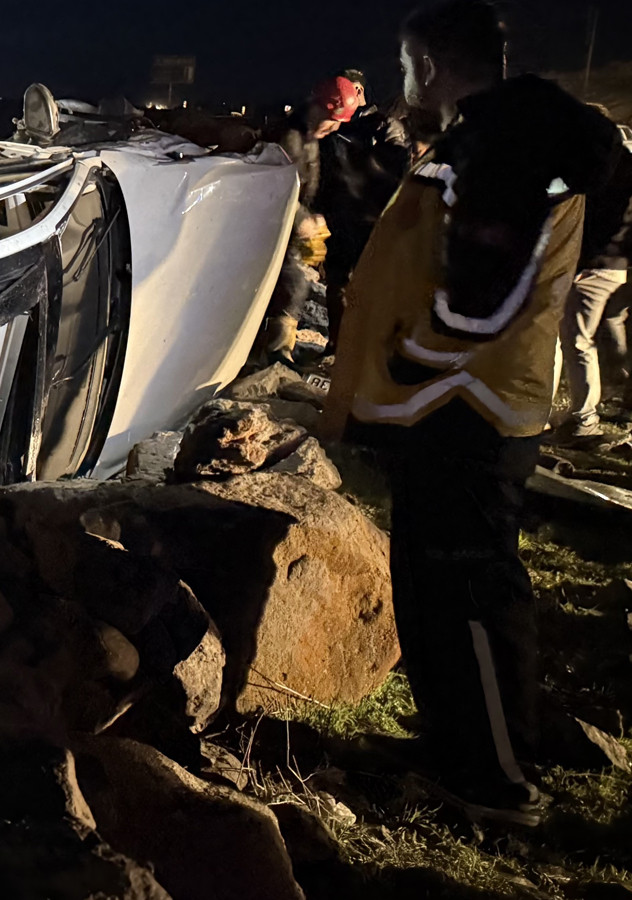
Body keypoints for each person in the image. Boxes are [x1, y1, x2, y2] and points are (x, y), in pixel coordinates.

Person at [323, 0, 622, 827]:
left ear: (430, 60)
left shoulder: (509, 135)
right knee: (433, 588)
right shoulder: (497, 133)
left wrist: (422, 350)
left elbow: (488, 274)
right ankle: (457, 748)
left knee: (471, 592)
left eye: (407, 62)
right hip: (447, 402)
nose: (404, 79)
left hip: (468, 404)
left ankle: (497, 781)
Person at [257, 75, 365, 365]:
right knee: (291, 282)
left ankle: (272, 347)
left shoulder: (309, 135)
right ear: (319, 107)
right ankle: (275, 352)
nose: (333, 129)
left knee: (293, 282)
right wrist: (302, 219)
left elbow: (305, 184)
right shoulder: (289, 137)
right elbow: (274, 186)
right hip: (270, 225)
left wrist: (312, 214)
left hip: (287, 223)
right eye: (331, 121)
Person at [314, 72, 414, 353]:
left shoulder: (383, 125)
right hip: (341, 217)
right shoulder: (333, 128)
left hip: (372, 219)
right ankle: (336, 344)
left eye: (351, 87)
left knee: (372, 285)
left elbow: (398, 169)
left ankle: (373, 348)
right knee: (337, 283)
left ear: (360, 90)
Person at [557, 131, 632, 446]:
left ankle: (584, 421)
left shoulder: (610, 173)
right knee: (613, 333)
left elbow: (598, 222)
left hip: (597, 266)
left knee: (577, 342)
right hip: (619, 268)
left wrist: (579, 264)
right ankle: (622, 397)